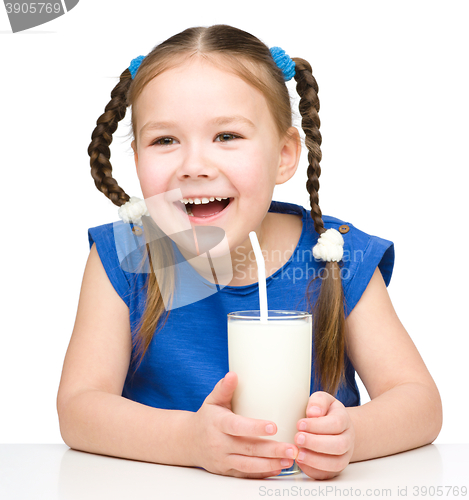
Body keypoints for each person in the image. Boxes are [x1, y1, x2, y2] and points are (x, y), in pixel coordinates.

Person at [56, 24, 442, 480]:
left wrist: (352, 436)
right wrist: (189, 441)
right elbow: (78, 409)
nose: (194, 166)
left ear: (283, 154)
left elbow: (420, 402)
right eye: (164, 140)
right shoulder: (124, 256)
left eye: (227, 136)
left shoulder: (336, 256)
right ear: (136, 154)